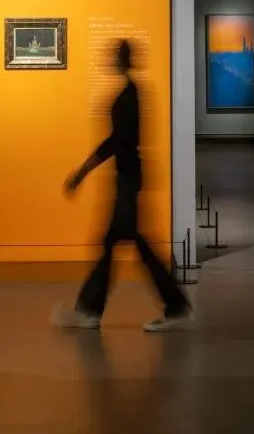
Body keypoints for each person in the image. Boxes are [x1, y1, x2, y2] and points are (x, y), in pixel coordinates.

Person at [52, 39, 193, 332]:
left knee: (125, 244)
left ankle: (94, 311)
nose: (109, 59)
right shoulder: (132, 92)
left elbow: (117, 141)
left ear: (121, 59)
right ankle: (170, 306)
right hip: (129, 177)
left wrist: (83, 171)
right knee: (122, 243)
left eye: (113, 55)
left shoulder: (129, 95)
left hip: (128, 179)